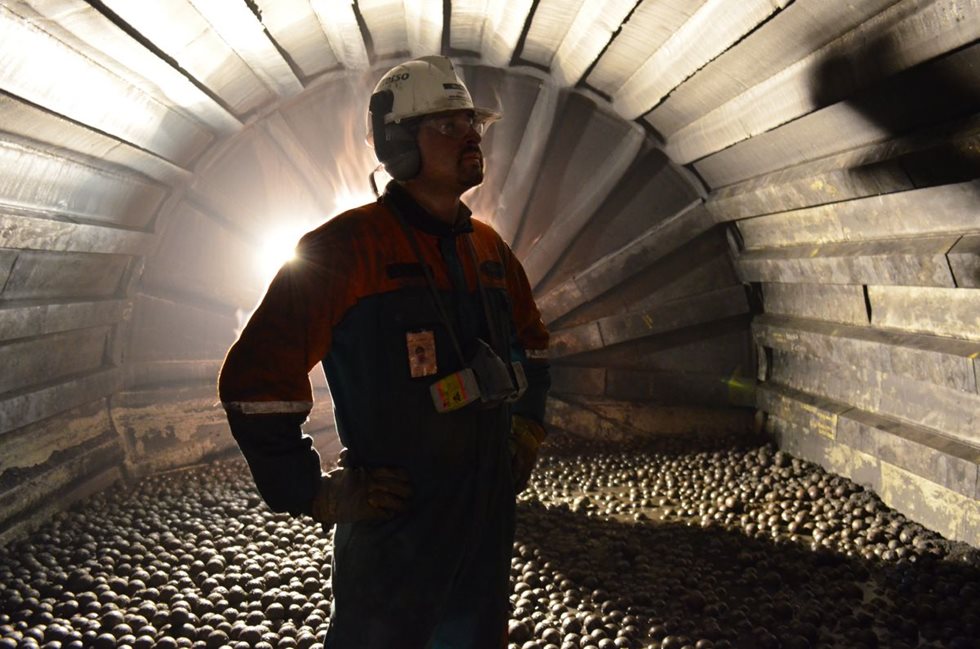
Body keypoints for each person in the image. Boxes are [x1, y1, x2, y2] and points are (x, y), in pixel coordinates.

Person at [218, 55, 551, 648]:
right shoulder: (345, 250)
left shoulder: (489, 250)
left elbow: (534, 349)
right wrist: (311, 491)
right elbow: (256, 381)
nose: (471, 136)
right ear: (399, 144)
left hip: (485, 519)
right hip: (397, 521)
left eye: (471, 123)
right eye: (448, 125)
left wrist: (523, 433)